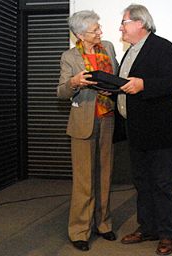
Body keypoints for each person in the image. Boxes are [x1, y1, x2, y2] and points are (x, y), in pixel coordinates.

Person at [114, 4, 172, 255]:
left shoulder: (163, 47)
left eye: (124, 22)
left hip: (157, 132)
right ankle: (147, 228)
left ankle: (166, 235)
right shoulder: (129, 52)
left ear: (140, 23)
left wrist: (144, 85)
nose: (121, 27)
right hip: (136, 130)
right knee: (142, 183)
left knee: (162, 184)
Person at [57, 10, 118, 251]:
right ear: (81, 34)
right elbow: (60, 91)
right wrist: (74, 83)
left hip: (108, 118)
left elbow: (115, 77)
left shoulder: (109, 48)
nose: (100, 33)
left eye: (99, 28)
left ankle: (103, 224)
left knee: (105, 174)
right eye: (95, 30)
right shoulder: (70, 56)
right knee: (84, 180)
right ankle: (79, 230)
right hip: (83, 121)